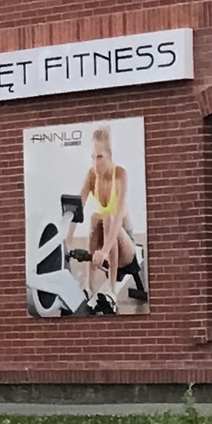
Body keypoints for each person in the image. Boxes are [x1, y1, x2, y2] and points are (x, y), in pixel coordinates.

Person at [79, 124, 142, 310]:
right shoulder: (92, 175)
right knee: (93, 218)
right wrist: (63, 238)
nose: (95, 163)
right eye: (93, 157)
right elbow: (77, 208)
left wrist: (104, 252)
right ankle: (87, 287)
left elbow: (116, 221)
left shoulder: (120, 175)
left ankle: (112, 291)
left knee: (108, 217)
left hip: (126, 249)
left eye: (100, 157)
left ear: (109, 156)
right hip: (105, 243)